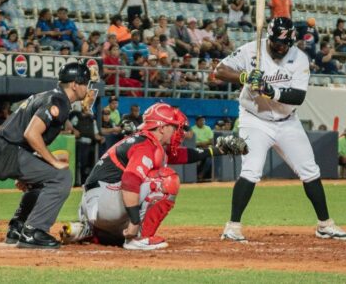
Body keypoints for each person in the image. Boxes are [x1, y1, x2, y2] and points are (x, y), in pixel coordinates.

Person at [215, 17, 346, 242]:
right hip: (254, 119)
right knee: (251, 171)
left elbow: (298, 97)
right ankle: (232, 227)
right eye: (278, 43)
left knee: (310, 171)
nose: (282, 48)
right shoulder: (251, 50)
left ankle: (325, 225)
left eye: (286, 44)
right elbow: (219, 71)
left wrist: (269, 90)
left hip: (287, 120)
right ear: (270, 37)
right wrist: (245, 77)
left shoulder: (299, 59)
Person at [59, 103, 247, 250]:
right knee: (166, 180)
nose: (179, 134)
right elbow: (130, 180)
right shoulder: (146, 144)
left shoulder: (147, 141)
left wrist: (217, 150)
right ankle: (139, 238)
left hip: (96, 203)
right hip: (104, 201)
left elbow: (183, 155)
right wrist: (134, 222)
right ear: (162, 128)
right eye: (175, 128)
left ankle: (89, 231)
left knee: (151, 181)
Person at [0, 62, 95, 249]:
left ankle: (18, 227)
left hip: (2, 149)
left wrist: (26, 172)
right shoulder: (58, 101)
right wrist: (52, 161)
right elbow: (31, 133)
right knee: (61, 177)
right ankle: (33, 231)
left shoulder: (52, 96)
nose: (88, 88)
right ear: (75, 84)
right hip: (9, 150)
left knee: (45, 177)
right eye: (85, 83)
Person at [69, 102, 104, 185]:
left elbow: (95, 134)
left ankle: (86, 182)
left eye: (89, 107)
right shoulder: (76, 116)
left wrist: (100, 137)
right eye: (87, 107)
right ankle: (77, 182)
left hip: (90, 145)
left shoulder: (92, 119)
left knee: (89, 165)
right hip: (79, 143)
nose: (88, 108)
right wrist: (74, 130)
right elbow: (70, 125)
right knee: (80, 164)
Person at [191, 115, 214, 181]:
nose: (202, 122)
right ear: (196, 122)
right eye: (200, 120)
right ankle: (195, 175)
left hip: (206, 148)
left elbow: (211, 141)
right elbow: (191, 142)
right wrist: (200, 144)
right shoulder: (192, 129)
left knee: (209, 157)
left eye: (203, 120)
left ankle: (201, 175)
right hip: (196, 148)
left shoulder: (208, 128)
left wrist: (204, 143)